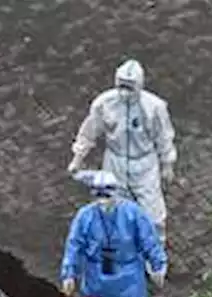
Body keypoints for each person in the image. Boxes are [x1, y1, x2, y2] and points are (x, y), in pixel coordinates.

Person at [67, 59, 177, 246]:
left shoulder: (154, 108)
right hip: (114, 161)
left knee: (154, 214)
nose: (124, 92)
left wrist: (167, 164)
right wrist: (78, 158)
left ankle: (155, 251)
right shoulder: (104, 103)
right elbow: (89, 131)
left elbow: (164, 137)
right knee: (112, 207)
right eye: (121, 86)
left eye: (130, 87)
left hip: (144, 164)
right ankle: (121, 246)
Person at [60, 170, 168, 297]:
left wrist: (158, 265)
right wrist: (69, 273)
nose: (103, 201)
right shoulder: (85, 216)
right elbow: (74, 245)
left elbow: (149, 240)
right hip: (97, 278)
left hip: (128, 278)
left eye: (107, 195)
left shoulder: (132, 213)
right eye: (99, 195)